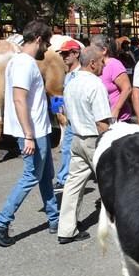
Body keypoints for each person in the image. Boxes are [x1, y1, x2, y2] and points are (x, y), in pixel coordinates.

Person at [0, 20, 59, 247]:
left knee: (46, 176)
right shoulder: (24, 64)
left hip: (38, 130)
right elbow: (19, 99)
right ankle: (1, 222)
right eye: (46, 42)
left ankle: (55, 219)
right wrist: (28, 134)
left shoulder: (20, 62)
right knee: (31, 176)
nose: (47, 48)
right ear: (38, 39)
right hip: (33, 132)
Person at [56, 46, 112, 244]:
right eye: (102, 62)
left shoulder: (72, 82)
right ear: (93, 63)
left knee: (73, 184)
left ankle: (66, 229)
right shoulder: (96, 85)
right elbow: (102, 123)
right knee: (112, 180)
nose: (104, 65)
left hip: (76, 138)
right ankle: (118, 224)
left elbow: (68, 115)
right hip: (93, 140)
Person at [53, 39, 82, 192]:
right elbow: (61, 94)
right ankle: (63, 178)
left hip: (81, 120)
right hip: (71, 120)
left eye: (66, 53)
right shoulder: (68, 74)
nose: (64, 56)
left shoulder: (81, 74)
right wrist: (57, 109)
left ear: (76, 53)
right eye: (62, 54)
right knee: (66, 148)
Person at [90, 34, 133, 122]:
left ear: (104, 50)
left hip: (118, 120)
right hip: (102, 119)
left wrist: (116, 110)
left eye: (92, 49)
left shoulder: (114, 64)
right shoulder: (94, 66)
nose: (90, 52)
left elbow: (127, 88)